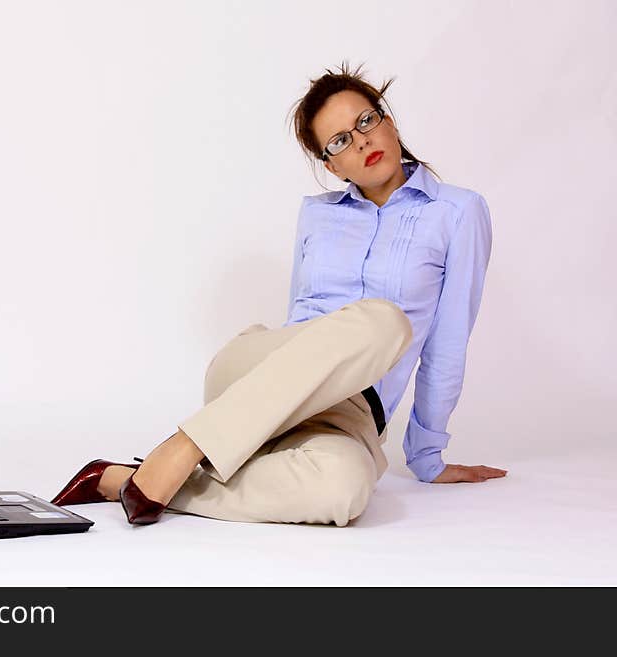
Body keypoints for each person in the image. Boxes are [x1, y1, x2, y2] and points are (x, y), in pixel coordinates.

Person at [50, 61, 507, 527]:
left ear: (387, 121)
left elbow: (449, 340)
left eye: (366, 121)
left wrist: (427, 457)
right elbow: (299, 321)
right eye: (340, 140)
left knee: (343, 488)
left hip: (350, 412)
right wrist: (267, 408)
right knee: (382, 321)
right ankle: (188, 445)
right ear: (331, 165)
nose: (363, 140)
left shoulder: (459, 212)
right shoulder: (317, 215)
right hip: (258, 371)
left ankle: (131, 480)